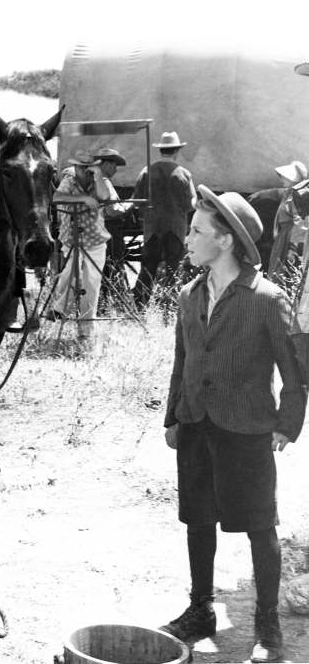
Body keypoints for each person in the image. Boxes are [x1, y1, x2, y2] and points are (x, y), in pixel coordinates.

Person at [161, 185, 307, 663]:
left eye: (197, 230)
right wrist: (173, 416)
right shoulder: (189, 295)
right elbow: (181, 359)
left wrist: (287, 423)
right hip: (195, 423)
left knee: (260, 527)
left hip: (245, 429)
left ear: (225, 240)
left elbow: (294, 371)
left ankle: (267, 623)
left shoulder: (266, 298)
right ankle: (200, 609)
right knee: (197, 520)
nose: (187, 238)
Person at [47, 150, 128, 341]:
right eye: (80, 167)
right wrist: (83, 198)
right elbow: (57, 198)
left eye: (87, 167)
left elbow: (105, 197)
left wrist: (98, 176)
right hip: (72, 237)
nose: (83, 171)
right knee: (71, 272)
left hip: (94, 239)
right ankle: (59, 309)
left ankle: (85, 329)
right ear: (75, 167)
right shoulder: (69, 179)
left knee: (92, 283)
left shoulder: (100, 179)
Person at [132, 131, 197, 309]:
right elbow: (192, 203)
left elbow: (136, 200)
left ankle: (140, 305)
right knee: (174, 267)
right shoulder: (184, 173)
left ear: (161, 150)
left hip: (152, 228)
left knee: (148, 266)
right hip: (176, 228)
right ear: (176, 151)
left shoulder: (146, 171)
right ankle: (170, 307)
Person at [267, 160, 309, 283]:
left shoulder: (298, 195)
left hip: (290, 237)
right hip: (284, 235)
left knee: (284, 270)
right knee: (277, 268)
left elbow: (300, 224)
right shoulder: (289, 193)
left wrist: (293, 248)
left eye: (286, 176)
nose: (282, 178)